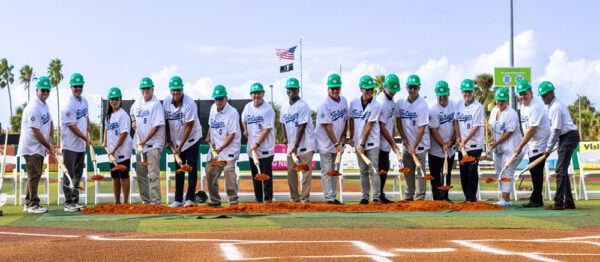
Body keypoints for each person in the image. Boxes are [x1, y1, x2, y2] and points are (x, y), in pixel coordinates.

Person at [539, 81, 580, 210]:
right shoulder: (549, 107)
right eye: (542, 95)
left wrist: (548, 149)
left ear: (552, 93)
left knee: (560, 170)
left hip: (569, 136)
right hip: (565, 137)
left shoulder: (556, 107)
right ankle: (569, 202)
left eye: (545, 95)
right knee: (562, 170)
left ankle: (559, 202)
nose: (543, 98)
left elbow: (556, 130)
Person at [17, 76, 54, 213]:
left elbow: (50, 122)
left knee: (35, 174)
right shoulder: (34, 106)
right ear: (37, 89)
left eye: (47, 90)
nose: (45, 92)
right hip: (31, 146)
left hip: (39, 146)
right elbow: (35, 131)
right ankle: (33, 204)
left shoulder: (45, 105)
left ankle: (29, 203)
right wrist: (48, 146)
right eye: (43, 90)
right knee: (35, 174)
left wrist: (50, 140)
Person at [163, 76, 202, 207]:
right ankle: (178, 199)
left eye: (178, 90)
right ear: (170, 90)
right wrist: (168, 139)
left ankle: (190, 198)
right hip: (176, 141)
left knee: (190, 168)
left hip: (191, 140)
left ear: (182, 89)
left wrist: (180, 147)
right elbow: (166, 122)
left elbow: (189, 126)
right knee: (179, 170)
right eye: (173, 90)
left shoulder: (189, 103)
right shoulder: (166, 102)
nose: (176, 92)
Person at [514, 80, 551, 208]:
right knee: (534, 171)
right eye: (520, 94)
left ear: (531, 93)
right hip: (532, 143)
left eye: (525, 93)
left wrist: (519, 146)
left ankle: (537, 200)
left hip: (540, 143)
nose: (523, 96)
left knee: (536, 171)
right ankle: (535, 198)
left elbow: (531, 129)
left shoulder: (536, 107)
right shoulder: (523, 106)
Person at [280, 78, 316, 203]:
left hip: (305, 144)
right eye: (289, 89)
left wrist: (295, 145)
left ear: (298, 90)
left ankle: (305, 198)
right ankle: (294, 198)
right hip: (292, 146)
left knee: (305, 172)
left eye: (294, 89)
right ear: (286, 91)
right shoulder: (284, 106)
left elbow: (302, 127)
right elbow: (283, 123)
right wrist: (285, 138)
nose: (292, 92)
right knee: (291, 172)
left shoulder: (303, 105)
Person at [130, 77, 165, 204]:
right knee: (141, 174)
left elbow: (156, 127)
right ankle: (146, 201)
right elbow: (132, 112)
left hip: (153, 144)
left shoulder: (156, 105)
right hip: (140, 146)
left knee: (153, 173)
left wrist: (144, 141)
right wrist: (133, 120)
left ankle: (155, 202)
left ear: (152, 89)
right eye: (143, 88)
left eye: (147, 88)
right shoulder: (138, 102)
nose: (145, 90)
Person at [206, 85, 242, 208]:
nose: (218, 101)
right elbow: (211, 125)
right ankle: (215, 200)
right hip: (216, 148)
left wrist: (220, 148)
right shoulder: (213, 108)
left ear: (226, 98)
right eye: (216, 99)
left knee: (228, 171)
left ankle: (233, 201)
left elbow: (232, 134)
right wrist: (208, 136)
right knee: (209, 171)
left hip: (229, 149)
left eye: (221, 99)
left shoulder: (232, 112)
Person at [395, 74, 430, 201]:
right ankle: (409, 196)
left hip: (420, 145)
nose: (412, 90)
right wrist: (403, 138)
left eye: (415, 87)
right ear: (406, 87)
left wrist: (414, 146)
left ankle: (420, 198)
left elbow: (422, 128)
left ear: (419, 88)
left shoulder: (422, 105)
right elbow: (398, 121)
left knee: (420, 172)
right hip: (407, 145)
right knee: (408, 172)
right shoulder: (400, 102)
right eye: (410, 87)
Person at [59, 73, 90, 212]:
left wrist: (88, 127)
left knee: (78, 174)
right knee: (68, 174)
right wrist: (85, 138)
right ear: (71, 87)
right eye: (75, 86)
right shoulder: (68, 104)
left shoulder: (84, 101)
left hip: (80, 146)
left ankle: (75, 200)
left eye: (80, 86)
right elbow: (72, 126)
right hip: (70, 145)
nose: (78, 88)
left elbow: (86, 117)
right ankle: (69, 202)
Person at [488, 87, 524, 207]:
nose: (499, 103)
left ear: (507, 101)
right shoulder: (494, 111)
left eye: (502, 101)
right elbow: (491, 126)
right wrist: (492, 137)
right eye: (498, 100)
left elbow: (508, 132)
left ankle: (505, 199)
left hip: (512, 148)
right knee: (499, 172)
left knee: (507, 171)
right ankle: (505, 199)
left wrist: (495, 143)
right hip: (498, 148)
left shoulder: (511, 113)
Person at [349, 75, 382, 204]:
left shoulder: (376, 105)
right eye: (367, 89)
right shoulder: (353, 102)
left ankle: (376, 197)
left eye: (371, 89)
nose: (369, 92)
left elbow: (369, 126)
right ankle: (364, 197)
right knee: (363, 171)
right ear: (361, 89)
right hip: (358, 142)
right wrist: (352, 137)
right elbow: (351, 119)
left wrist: (362, 144)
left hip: (372, 142)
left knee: (373, 169)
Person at [316, 73, 348, 205]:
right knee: (327, 171)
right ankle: (328, 197)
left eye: (337, 87)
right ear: (328, 89)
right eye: (332, 88)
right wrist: (336, 143)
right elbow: (328, 127)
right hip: (326, 144)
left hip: (338, 144)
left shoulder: (344, 100)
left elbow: (345, 120)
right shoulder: (324, 104)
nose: (335, 90)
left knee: (335, 171)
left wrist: (343, 136)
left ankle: (333, 196)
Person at [242, 82, 275, 203]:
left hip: (265, 148)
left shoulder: (268, 109)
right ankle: (258, 199)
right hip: (252, 149)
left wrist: (257, 144)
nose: (256, 96)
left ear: (263, 94)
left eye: (258, 93)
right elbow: (243, 120)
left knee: (266, 176)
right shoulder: (248, 107)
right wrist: (245, 129)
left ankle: (268, 199)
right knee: (256, 176)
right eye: (254, 93)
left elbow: (266, 130)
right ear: (251, 95)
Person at [455, 79, 485, 202]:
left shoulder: (478, 107)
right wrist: (458, 137)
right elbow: (456, 121)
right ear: (461, 92)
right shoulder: (459, 104)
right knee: (463, 172)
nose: (467, 94)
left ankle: (472, 198)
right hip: (462, 147)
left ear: (473, 91)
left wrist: (464, 141)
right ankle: (467, 197)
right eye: (464, 91)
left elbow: (475, 127)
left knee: (471, 171)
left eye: (469, 91)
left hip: (474, 145)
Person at [102, 87, 133, 204]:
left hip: (123, 152)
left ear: (120, 100)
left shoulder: (123, 115)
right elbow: (106, 129)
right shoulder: (108, 116)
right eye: (111, 99)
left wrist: (113, 150)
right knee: (115, 177)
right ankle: (116, 202)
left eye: (116, 99)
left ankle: (125, 202)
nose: (114, 101)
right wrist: (105, 142)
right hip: (111, 152)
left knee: (124, 176)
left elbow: (124, 134)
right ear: (109, 101)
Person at [428, 81, 457, 202]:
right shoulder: (432, 108)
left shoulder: (454, 105)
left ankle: (445, 197)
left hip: (450, 147)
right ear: (436, 95)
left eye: (445, 95)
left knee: (447, 173)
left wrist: (451, 142)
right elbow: (433, 130)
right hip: (435, 148)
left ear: (449, 93)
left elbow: (456, 126)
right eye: (440, 95)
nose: (442, 98)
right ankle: (437, 199)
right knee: (435, 175)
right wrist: (442, 145)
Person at [375, 74, 401, 204]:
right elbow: (381, 126)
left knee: (385, 167)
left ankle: (380, 194)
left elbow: (390, 122)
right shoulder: (382, 103)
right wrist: (393, 143)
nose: (394, 92)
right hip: (379, 143)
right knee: (381, 168)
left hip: (386, 142)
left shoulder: (390, 100)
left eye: (395, 90)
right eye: (392, 90)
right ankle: (378, 195)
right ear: (384, 86)